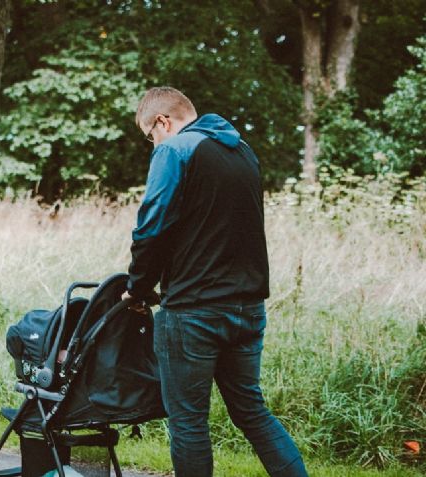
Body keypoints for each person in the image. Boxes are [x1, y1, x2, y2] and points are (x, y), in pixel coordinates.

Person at [120, 87, 308, 477]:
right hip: (247, 308)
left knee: (188, 421)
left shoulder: (175, 150)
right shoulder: (243, 152)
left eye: (150, 135)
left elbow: (151, 227)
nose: (153, 144)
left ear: (163, 122)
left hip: (193, 311)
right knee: (252, 411)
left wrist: (137, 288)